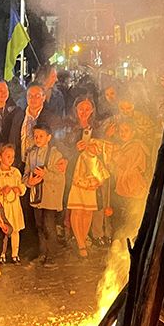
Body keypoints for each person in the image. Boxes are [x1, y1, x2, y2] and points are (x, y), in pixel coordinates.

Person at [64, 98, 108, 258]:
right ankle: (81, 243)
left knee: (88, 209)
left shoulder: (97, 128)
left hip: (92, 174)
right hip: (76, 174)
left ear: (92, 110)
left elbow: (104, 149)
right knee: (77, 208)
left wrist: (95, 149)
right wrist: (75, 149)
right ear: (75, 109)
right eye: (81, 108)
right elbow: (62, 147)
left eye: (87, 108)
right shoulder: (69, 127)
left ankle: (82, 239)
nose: (84, 111)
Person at [24, 125, 68, 266]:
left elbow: (60, 178)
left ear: (49, 138)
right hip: (36, 196)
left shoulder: (56, 155)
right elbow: (26, 174)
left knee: (49, 226)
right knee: (39, 226)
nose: (37, 139)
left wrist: (45, 174)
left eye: (41, 136)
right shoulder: (30, 154)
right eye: (35, 136)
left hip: (50, 197)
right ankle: (42, 253)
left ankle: (51, 255)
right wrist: (29, 182)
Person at [110, 121, 150, 241]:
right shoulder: (125, 146)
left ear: (133, 132)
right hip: (125, 188)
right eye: (121, 131)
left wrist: (115, 153)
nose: (122, 133)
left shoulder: (136, 146)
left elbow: (125, 163)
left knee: (131, 218)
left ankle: (128, 244)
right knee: (123, 218)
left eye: (126, 130)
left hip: (133, 188)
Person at [0, 144, 26, 263]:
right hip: (1, 207)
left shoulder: (16, 172)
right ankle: (2, 253)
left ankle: (15, 254)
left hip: (14, 206)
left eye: (13, 157)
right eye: (8, 156)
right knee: (3, 230)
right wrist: (0, 191)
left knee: (15, 230)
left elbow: (22, 185)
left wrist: (19, 189)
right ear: (0, 157)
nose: (11, 159)